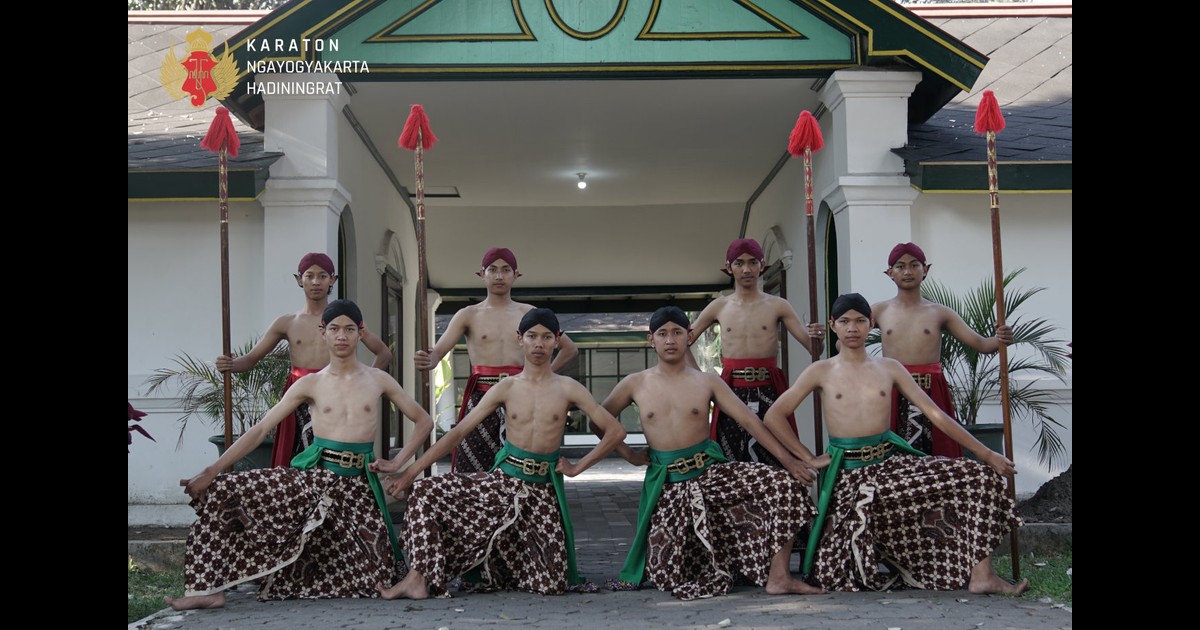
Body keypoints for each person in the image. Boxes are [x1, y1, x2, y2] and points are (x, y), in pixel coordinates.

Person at [165, 299, 434, 610]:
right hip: (315, 481)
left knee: (377, 577)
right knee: (225, 488)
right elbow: (261, 429)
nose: (342, 336)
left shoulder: (378, 379)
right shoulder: (311, 383)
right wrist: (213, 469)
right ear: (323, 333)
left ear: (361, 333)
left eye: (349, 329)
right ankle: (208, 589)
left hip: (359, 488)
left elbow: (424, 421)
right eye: (334, 329)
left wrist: (399, 462)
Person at [763, 293, 1027, 595]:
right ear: (833, 325)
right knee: (834, 572)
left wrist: (986, 453)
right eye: (845, 322)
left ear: (871, 324)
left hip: (888, 467)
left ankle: (983, 576)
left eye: (860, 321)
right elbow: (774, 416)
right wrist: (805, 458)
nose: (853, 328)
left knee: (975, 475)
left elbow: (935, 415)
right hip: (847, 479)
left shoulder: (889, 368)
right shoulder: (820, 371)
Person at [375, 307, 625, 600]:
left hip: (542, 492)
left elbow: (615, 431)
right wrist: (410, 473)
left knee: (552, 582)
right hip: (504, 482)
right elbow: (458, 433)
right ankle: (416, 577)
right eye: (532, 336)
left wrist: (577, 466)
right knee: (427, 490)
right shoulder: (507, 387)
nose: (539, 344)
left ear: (557, 341)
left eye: (546, 337)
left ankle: (506, 563)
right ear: (520, 339)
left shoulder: (569, 388)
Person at [597, 306, 825, 600]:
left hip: (709, 473)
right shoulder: (635, 383)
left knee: (784, 484)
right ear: (650, 339)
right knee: (669, 574)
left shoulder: (707, 381)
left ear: (689, 336)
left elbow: (750, 421)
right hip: (669, 486)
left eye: (677, 333)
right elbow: (599, 419)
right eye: (663, 334)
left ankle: (779, 576)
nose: (670, 340)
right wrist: (627, 453)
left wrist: (790, 462)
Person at [216, 252, 394, 468]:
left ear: (333, 280)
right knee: (294, 460)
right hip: (298, 395)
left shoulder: (345, 321)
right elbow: (252, 358)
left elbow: (384, 353)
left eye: (322, 276)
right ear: (299, 280)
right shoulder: (286, 323)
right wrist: (231, 365)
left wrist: (364, 384)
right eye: (309, 276)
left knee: (333, 456)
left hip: (335, 393)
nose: (316, 282)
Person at [415, 247, 578, 473]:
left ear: (516, 275)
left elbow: (569, 349)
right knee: (471, 469)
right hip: (481, 397)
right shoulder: (467, 314)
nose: (499, 276)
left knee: (520, 465)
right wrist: (427, 359)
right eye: (493, 270)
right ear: (482, 274)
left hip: (522, 396)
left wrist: (541, 377)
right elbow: (437, 353)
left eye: (505, 270)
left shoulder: (529, 313)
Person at [686, 238, 825, 466]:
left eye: (752, 262)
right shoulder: (719, 306)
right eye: (739, 263)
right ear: (729, 267)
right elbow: (684, 341)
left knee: (775, 456)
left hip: (769, 388)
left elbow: (813, 350)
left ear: (762, 265)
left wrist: (817, 337)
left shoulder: (779, 305)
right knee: (730, 456)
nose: (747, 269)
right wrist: (700, 378)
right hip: (731, 390)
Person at [871, 242, 1013, 458]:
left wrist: (1000, 338)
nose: (907, 271)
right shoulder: (878, 311)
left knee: (937, 456)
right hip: (893, 391)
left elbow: (982, 344)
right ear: (889, 273)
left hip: (932, 392)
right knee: (893, 458)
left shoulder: (940, 313)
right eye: (900, 266)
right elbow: (845, 343)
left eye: (914, 265)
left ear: (925, 270)